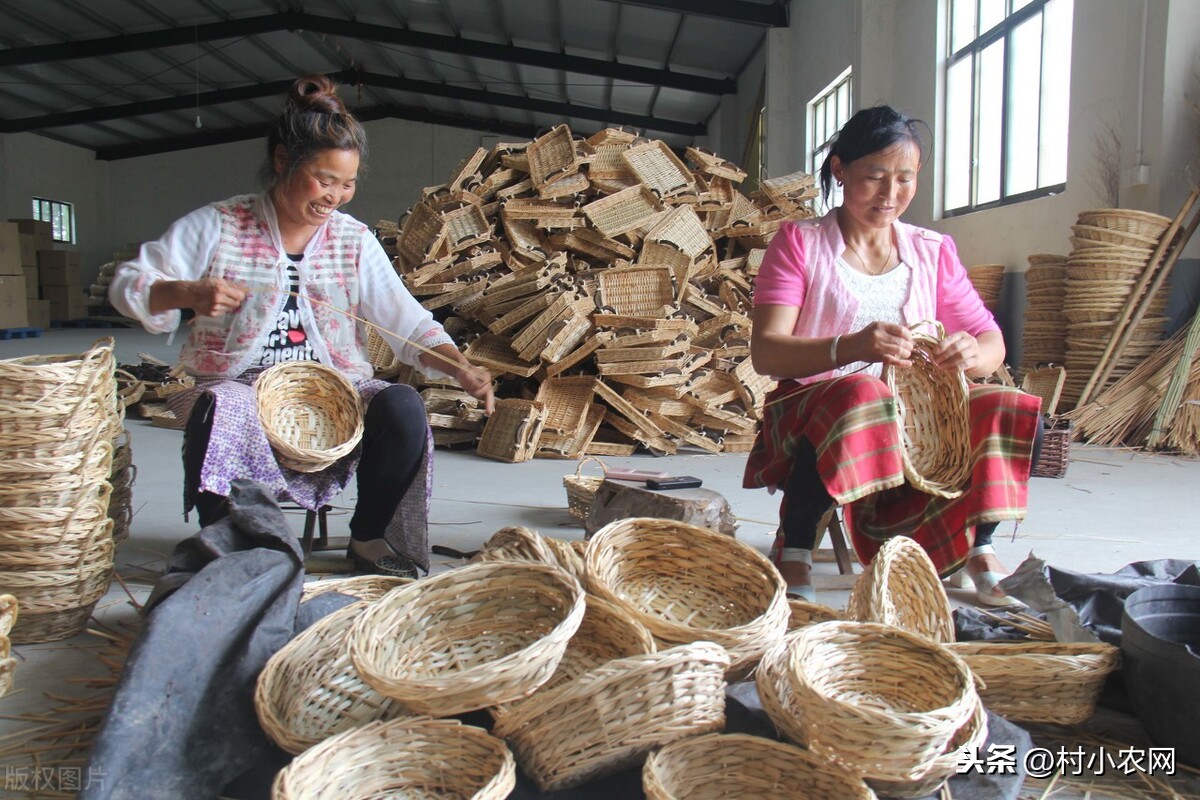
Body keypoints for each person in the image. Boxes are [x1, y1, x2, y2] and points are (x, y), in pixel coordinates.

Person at [109, 74, 494, 578]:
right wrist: (186, 293)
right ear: (282, 161)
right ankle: (232, 544)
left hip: (338, 389)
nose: (336, 195)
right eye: (324, 179)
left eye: (348, 183)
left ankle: (369, 539)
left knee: (402, 407)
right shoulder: (221, 224)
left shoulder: (352, 240)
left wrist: (460, 367)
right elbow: (132, 282)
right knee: (221, 406)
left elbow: (406, 319)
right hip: (237, 385)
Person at [743, 105, 1043, 606]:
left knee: (1004, 405)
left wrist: (971, 354)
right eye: (874, 177)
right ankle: (795, 542)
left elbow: (992, 344)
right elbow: (766, 353)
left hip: (918, 416)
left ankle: (978, 544)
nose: (890, 195)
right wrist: (851, 346)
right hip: (811, 412)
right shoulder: (801, 243)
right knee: (863, 389)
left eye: (905, 179)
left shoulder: (932, 250)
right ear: (840, 170)